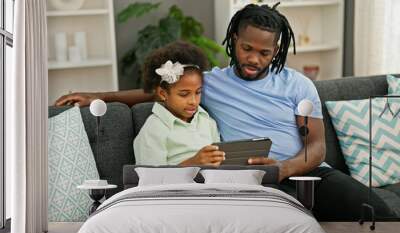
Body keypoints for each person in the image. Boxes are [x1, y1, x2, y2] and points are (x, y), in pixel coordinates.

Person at [54, 3, 391, 221]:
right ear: (233, 39)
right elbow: (156, 92)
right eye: (246, 48)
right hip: (249, 182)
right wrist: (97, 95)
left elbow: (316, 148)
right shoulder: (211, 84)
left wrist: (283, 168)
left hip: (305, 173)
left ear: (276, 51)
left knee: (381, 215)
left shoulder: (299, 86)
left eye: (264, 52)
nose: (254, 59)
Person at [133, 42, 224, 166]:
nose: (193, 101)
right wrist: (193, 163)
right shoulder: (153, 130)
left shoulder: (207, 121)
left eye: (198, 92)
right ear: (163, 94)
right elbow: (150, 180)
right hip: (176, 185)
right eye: (184, 94)